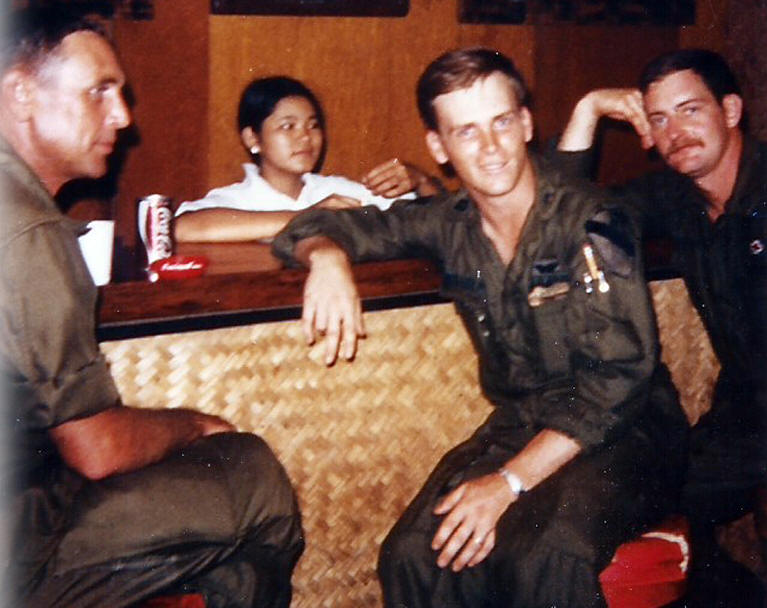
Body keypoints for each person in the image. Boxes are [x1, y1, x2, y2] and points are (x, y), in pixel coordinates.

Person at [271, 47, 689, 607]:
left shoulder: (592, 219)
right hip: (524, 424)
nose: (490, 147)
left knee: (545, 555)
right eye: (466, 132)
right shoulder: (448, 223)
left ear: (526, 124)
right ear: (438, 148)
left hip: (629, 431)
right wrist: (325, 257)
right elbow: (317, 224)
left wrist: (507, 482)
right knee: (413, 554)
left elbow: (616, 384)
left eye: (501, 122)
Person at [0, 7, 303, 607]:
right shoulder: (30, 231)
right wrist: (194, 425)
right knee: (252, 475)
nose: (123, 116)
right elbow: (97, 449)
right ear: (22, 93)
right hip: (21, 541)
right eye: (99, 92)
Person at [556, 48, 767, 606]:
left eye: (690, 110)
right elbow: (563, 217)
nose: (675, 133)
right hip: (746, 421)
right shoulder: (674, 196)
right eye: (659, 119)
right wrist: (588, 109)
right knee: (641, 510)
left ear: (730, 111)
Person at [174, 76, 442, 243]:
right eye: (288, 126)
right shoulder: (237, 198)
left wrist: (421, 180)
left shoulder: (335, 191)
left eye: (313, 125)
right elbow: (181, 228)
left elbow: (439, 220)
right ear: (252, 138)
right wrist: (310, 217)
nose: (305, 137)